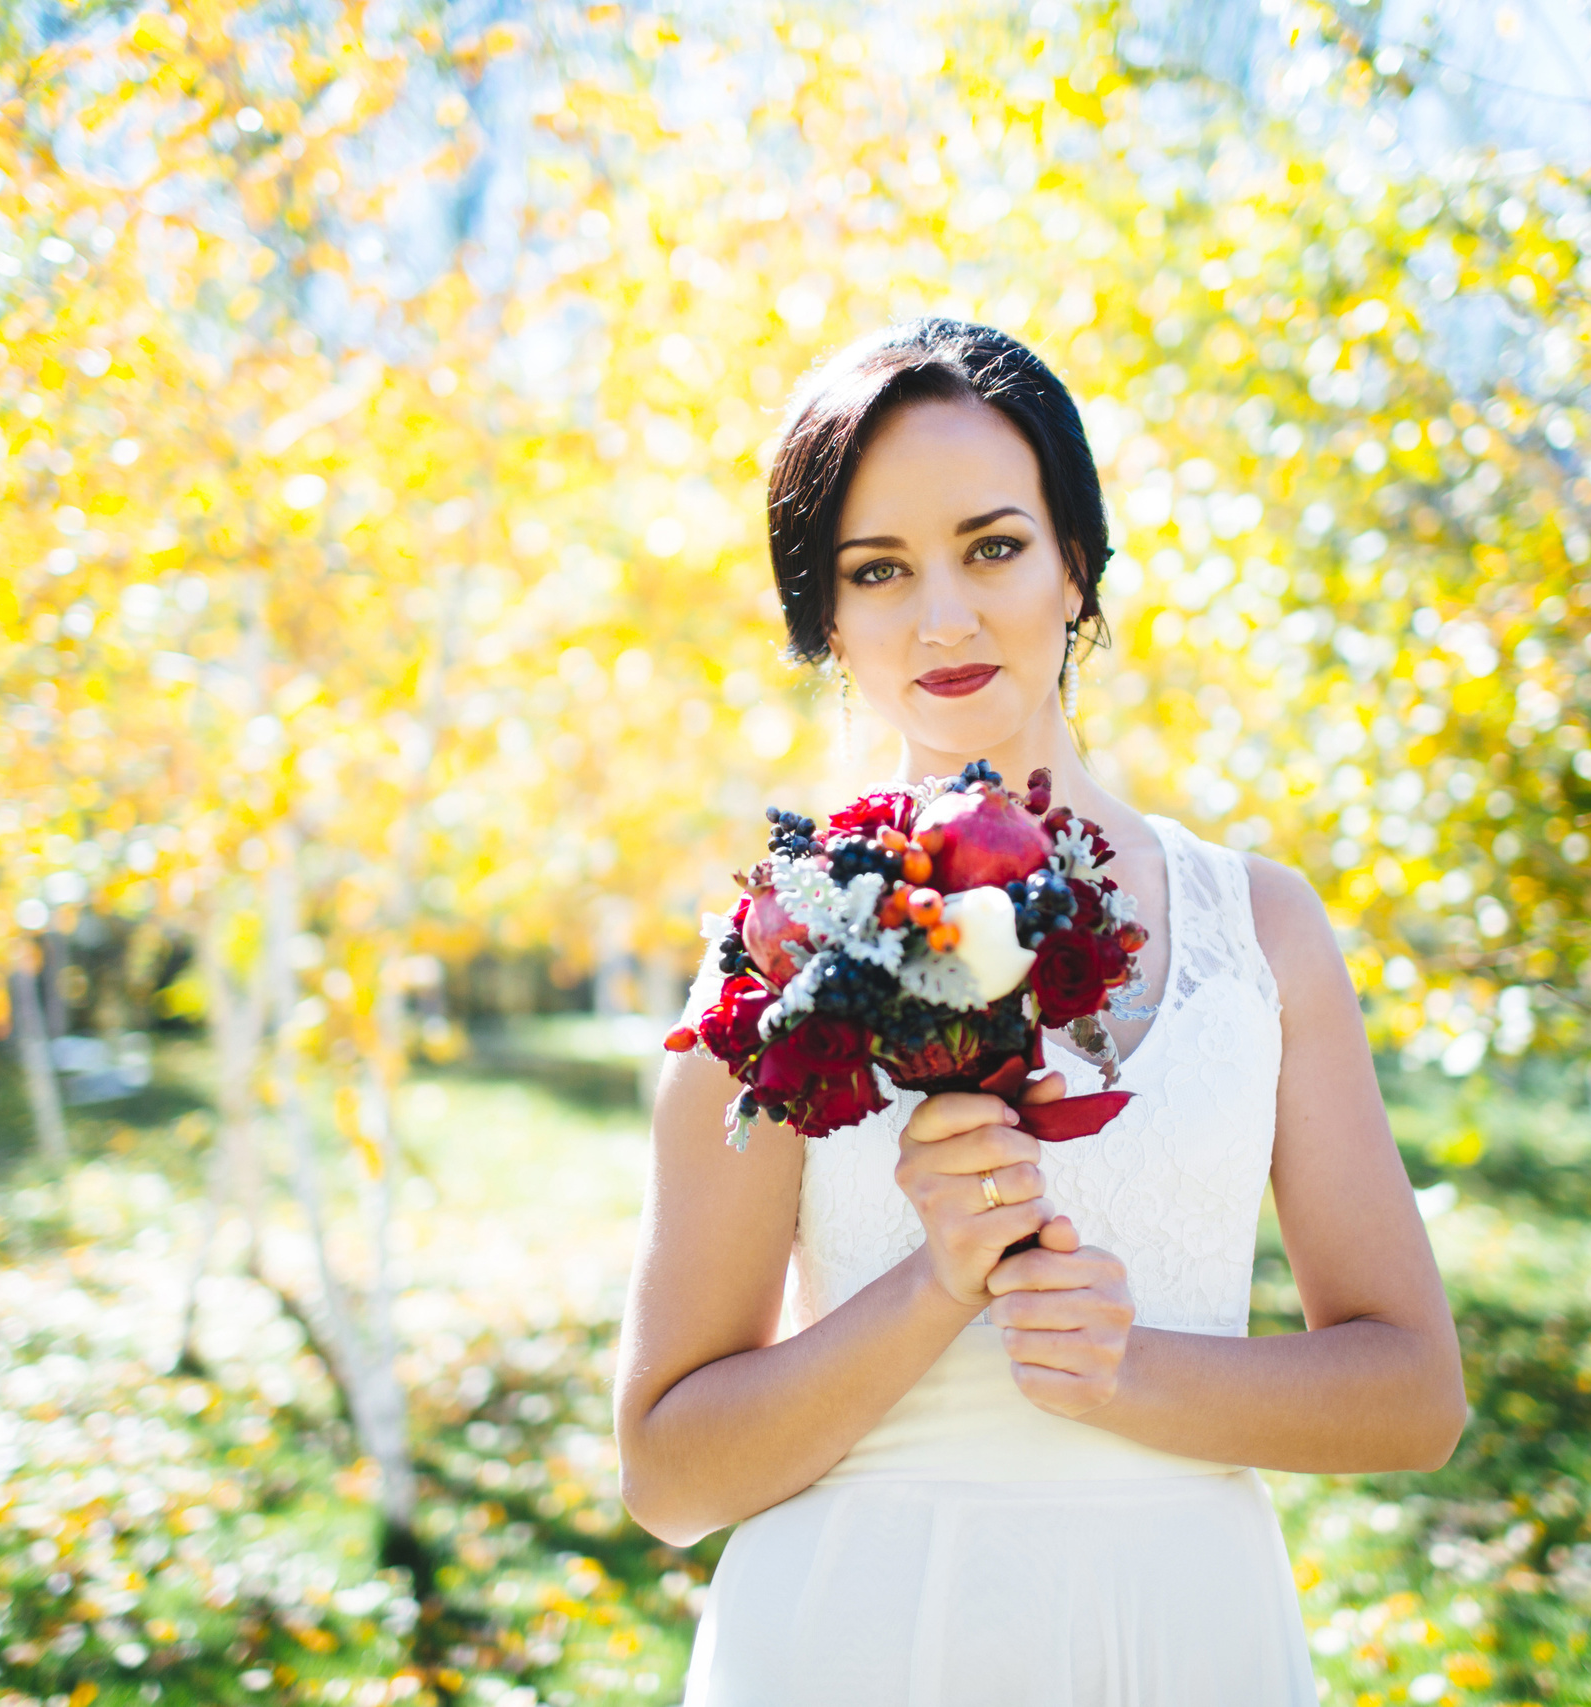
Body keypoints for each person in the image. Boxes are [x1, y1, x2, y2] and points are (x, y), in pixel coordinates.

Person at [613, 319, 1465, 1705]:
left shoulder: (1263, 931)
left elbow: (1417, 1399)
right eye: (877, 570)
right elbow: (667, 1475)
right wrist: (930, 1288)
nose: (942, 616)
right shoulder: (769, 956)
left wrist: (1130, 1371)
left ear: (1078, 563)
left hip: (1185, 1642)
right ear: (826, 617)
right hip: (847, 1646)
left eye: (993, 547)